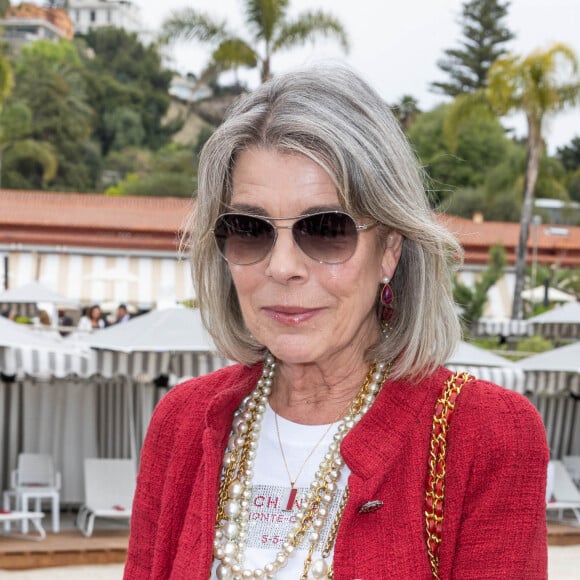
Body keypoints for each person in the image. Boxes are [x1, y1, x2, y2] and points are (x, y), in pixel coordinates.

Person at [124, 65, 548, 579]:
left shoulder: (484, 434)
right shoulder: (183, 423)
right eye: (250, 230)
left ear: (390, 249)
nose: (282, 267)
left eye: (326, 230)